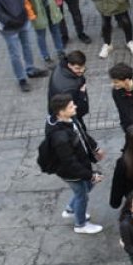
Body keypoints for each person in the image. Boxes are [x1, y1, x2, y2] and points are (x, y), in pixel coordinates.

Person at [44, 93, 105, 234]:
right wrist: (91, 175)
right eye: (71, 106)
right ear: (61, 112)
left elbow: (82, 133)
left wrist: (95, 147)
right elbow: (70, 163)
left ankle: (71, 209)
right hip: (70, 172)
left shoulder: (69, 118)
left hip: (81, 164)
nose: (75, 107)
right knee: (82, 195)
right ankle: (80, 224)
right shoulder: (59, 137)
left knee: (86, 187)